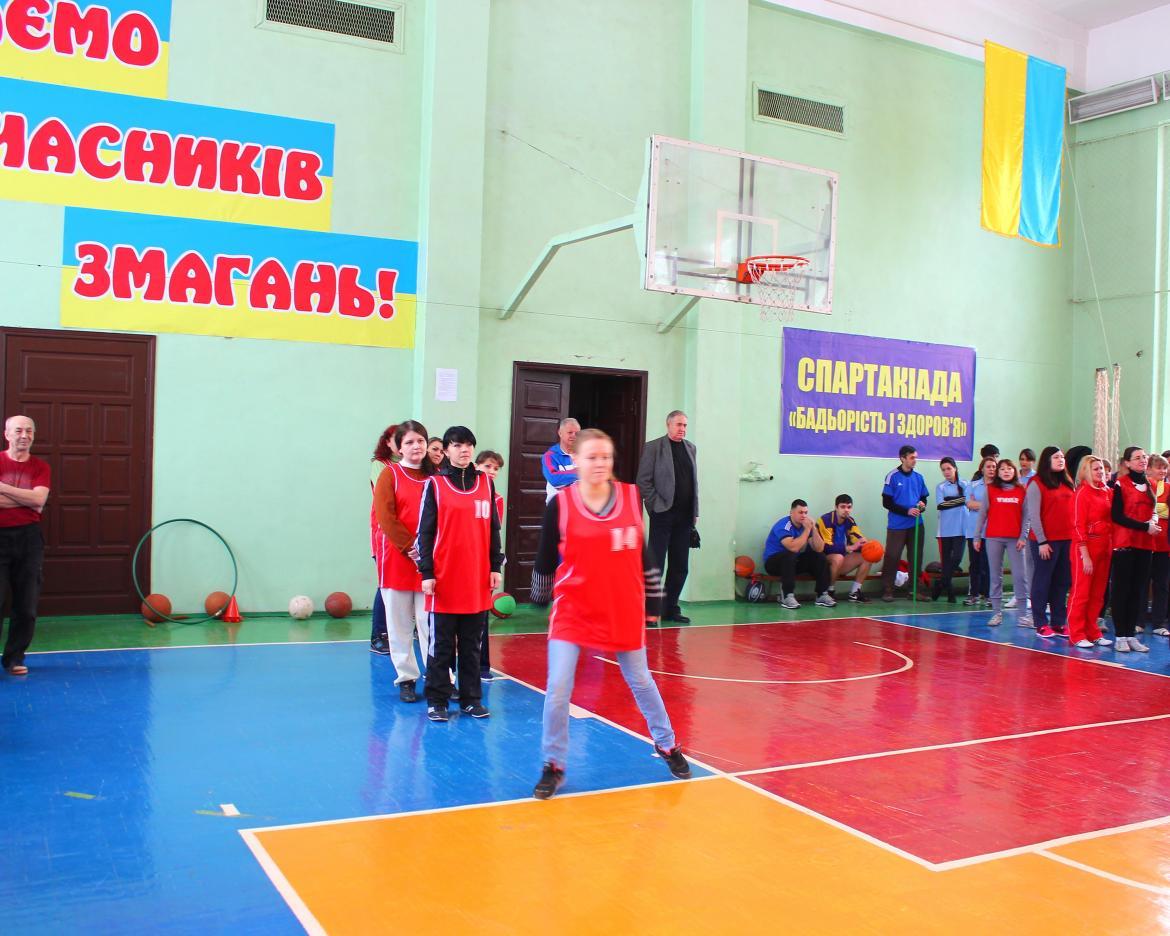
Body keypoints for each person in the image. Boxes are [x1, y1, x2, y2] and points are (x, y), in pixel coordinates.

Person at [529, 428, 690, 799]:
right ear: (575, 461)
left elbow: (645, 556)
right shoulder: (561, 504)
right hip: (574, 608)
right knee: (558, 688)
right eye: (592, 457)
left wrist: (653, 604)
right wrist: (539, 594)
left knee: (641, 680)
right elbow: (545, 556)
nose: (600, 463)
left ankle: (667, 744)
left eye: (606, 457)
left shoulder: (631, 498)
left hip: (623, 607)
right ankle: (553, 763)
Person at [416, 426, 504, 721]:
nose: (464, 450)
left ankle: (470, 699)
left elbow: (493, 529)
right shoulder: (435, 484)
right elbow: (424, 532)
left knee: (471, 645)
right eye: (457, 445)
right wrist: (426, 572)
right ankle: (437, 700)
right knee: (441, 645)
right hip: (444, 578)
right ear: (447, 450)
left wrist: (495, 566)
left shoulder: (486, 484)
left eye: (468, 445)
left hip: (477, 578)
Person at [373, 421, 434, 702]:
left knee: (430, 623)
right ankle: (407, 678)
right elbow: (385, 516)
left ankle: (440, 677)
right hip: (398, 561)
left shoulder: (437, 477)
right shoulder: (390, 475)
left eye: (420, 441)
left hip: (429, 564)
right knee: (399, 625)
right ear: (399, 448)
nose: (416, 446)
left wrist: (429, 551)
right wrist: (410, 547)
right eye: (409, 442)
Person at [0, 415, 51, 676]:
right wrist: (27, 498)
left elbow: (39, 500)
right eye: (18, 430)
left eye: (29, 431)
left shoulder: (40, 467)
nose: (24, 435)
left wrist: (2, 488)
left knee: (26, 605)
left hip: (29, 539)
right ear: (7, 434)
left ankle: (14, 658)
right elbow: (32, 500)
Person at [636, 411, 698, 624]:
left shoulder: (691, 448)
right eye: (679, 424)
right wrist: (656, 506)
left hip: (685, 517)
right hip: (662, 515)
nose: (682, 429)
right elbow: (643, 481)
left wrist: (695, 511)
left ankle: (671, 608)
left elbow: (693, 482)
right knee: (656, 565)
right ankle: (650, 611)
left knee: (680, 566)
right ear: (668, 424)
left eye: (685, 425)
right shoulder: (653, 447)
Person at [1109, 446, 1160, 653]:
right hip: (1125, 544)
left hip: (1145, 544)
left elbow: (1153, 510)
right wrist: (1144, 527)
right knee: (1122, 590)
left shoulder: (1151, 484)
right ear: (1127, 463)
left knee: (1138, 591)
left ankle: (1130, 635)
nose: (1142, 460)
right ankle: (1120, 636)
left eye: (1144, 457)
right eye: (1137, 458)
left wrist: (1153, 521)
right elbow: (1117, 516)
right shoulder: (1120, 484)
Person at [1022, 447, 1074, 639]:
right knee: (1043, 581)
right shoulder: (1036, 483)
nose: (1061, 460)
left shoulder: (1068, 482)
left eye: (1062, 457)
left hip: (1067, 539)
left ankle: (1059, 622)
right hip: (1045, 541)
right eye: (1056, 457)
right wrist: (1042, 541)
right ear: (1047, 460)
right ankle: (1040, 623)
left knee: (1062, 582)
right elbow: (1034, 515)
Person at [974, 459, 1029, 627]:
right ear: (998, 472)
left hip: (1016, 540)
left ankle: (1023, 615)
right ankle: (996, 613)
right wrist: (977, 537)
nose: (1006, 471)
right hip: (994, 538)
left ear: (1014, 471)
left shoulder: (1022, 490)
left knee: (1020, 576)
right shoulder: (990, 489)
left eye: (1009, 468)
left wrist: (1023, 537)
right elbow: (982, 514)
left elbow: (1027, 516)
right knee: (995, 576)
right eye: (1002, 469)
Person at [1066, 456, 1113, 648]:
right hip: (1086, 547)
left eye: (1101, 468)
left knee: (1098, 593)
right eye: (1095, 469)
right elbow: (1078, 525)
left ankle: (1092, 631)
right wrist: (1085, 555)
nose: (1100, 472)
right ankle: (1076, 633)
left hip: (1105, 546)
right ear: (1085, 471)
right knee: (1081, 592)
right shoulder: (1081, 494)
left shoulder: (1107, 492)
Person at [880, 445, 931, 602]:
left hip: (916, 524)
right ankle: (888, 590)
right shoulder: (892, 476)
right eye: (912, 457)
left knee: (916, 558)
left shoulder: (919, 477)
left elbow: (924, 498)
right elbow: (886, 502)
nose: (915, 460)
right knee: (892, 557)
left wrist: (922, 505)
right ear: (902, 458)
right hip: (897, 526)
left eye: (916, 457)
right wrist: (906, 511)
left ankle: (914, 590)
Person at [474, 449, 506, 681]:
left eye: (496, 468)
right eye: (487, 466)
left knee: (481, 615)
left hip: (484, 562)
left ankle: (483, 665)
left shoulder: (497, 499)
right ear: (476, 466)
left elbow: (493, 532)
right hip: (461, 561)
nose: (492, 471)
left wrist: (494, 564)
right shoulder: (461, 491)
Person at [368, 424, 400, 655]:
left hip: (410, 534)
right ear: (387, 442)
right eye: (397, 439)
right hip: (384, 534)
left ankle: (409, 630)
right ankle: (378, 636)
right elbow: (391, 497)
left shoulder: (415, 467)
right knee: (386, 585)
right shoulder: (381, 465)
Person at [766, 500, 833, 608]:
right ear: (791, 513)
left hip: (792, 562)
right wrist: (807, 530)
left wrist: (813, 528)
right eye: (800, 512)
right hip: (773, 563)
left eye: (806, 513)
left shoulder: (805, 526)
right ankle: (787, 596)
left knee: (820, 557)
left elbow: (819, 548)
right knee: (790, 555)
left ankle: (822, 594)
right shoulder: (784, 525)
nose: (804, 516)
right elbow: (793, 547)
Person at [815, 494, 872, 602]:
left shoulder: (850, 521)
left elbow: (857, 538)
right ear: (836, 507)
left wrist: (868, 546)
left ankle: (855, 593)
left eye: (849, 507)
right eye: (843, 507)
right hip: (822, 562)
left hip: (840, 560)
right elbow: (826, 548)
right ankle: (829, 591)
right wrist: (850, 547)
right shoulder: (825, 520)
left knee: (868, 556)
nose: (846, 510)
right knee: (838, 557)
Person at [932, 457, 967, 602]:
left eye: (949, 468)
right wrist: (961, 499)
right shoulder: (940, 487)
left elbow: (968, 500)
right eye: (943, 470)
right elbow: (941, 505)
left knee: (957, 558)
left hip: (962, 528)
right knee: (946, 562)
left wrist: (950, 500)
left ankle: (940, 584)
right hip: (945, 530)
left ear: (955, 468)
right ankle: (950, 593)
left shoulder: (965, 484)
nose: (946, 472)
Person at [963, 456, 996, 606]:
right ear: (982, 469)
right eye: (988, 466)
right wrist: (989, 505)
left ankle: (989, 595)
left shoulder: (999, 487)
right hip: (974, 531)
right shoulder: (973, 485)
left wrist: (979, 504)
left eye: (994, 466)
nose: (991, 469)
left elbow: (999, 505)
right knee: (975, 563)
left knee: (988, 564)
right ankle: (974, 594)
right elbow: (969, 504)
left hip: (992, 531)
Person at [1145, 454, 1170, 637]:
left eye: (1164, 468)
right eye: (1159, 467)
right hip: (1145, 542)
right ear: (1149, 469)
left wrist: (1157, 512)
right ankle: (1138, 621)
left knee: (1161, 584)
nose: (1162, 471)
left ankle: (1159, 622)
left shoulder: (1168, 488)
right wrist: (1161, 511)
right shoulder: (1143, 487)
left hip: (1164, 544)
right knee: (1141, 583)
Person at [1009, 448, 1037, 611]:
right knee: (1017, 561)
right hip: (1015, 521)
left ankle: (1031, 595)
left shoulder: (1036, 478)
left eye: (1027, 459)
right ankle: (1018, 594)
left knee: (1029, 561)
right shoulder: (1015, 477)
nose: (1024, 462)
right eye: (1021, 459)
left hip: (1031, 522)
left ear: (1033, 461)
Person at [542, 418, 579, 502]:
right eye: (570, 432)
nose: (574, 436)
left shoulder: (585, 454)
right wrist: (580, 472)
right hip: (558, 506)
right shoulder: (550, 456)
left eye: (577, 433)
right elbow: (554, 479)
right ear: (560, 433)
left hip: (580, 506)